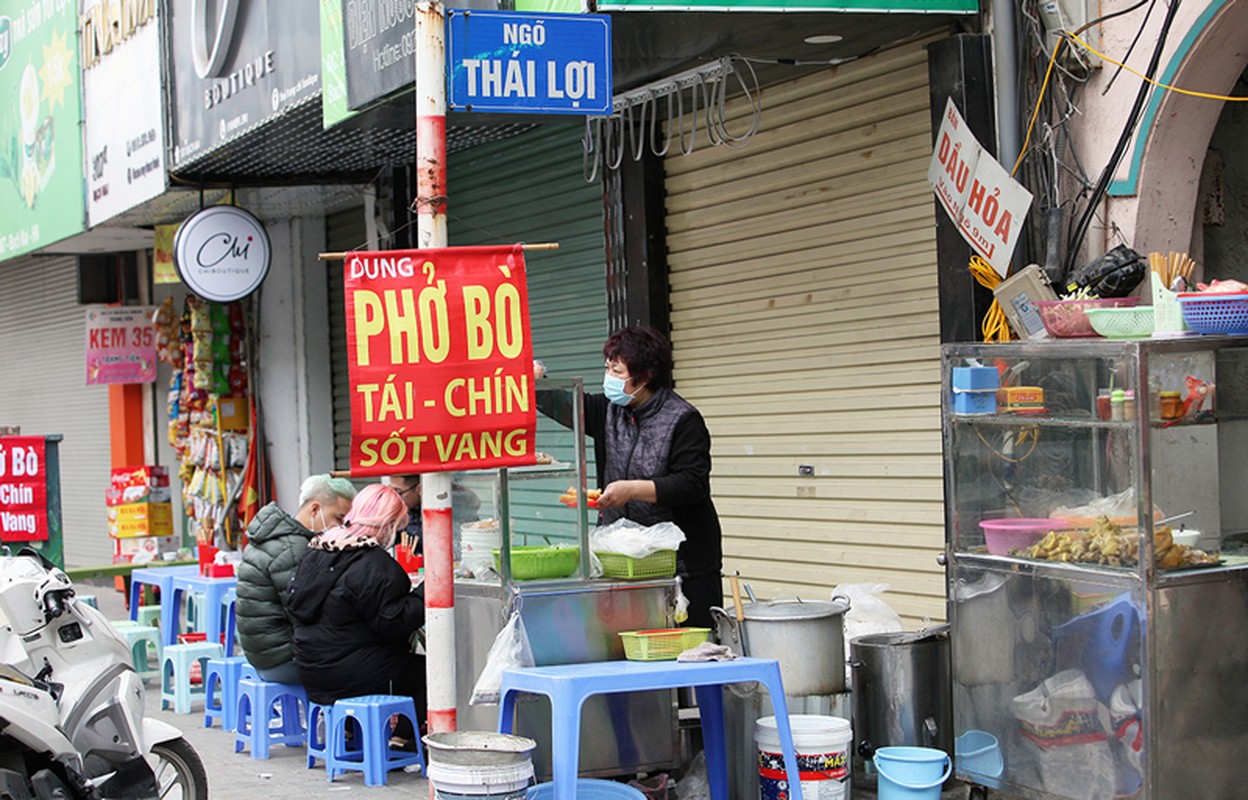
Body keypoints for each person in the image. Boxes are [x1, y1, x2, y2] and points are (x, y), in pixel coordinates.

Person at [540, 326, 723, 628]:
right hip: (624, 560)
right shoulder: (608, 411)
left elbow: (693, 484)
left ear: (645, 376)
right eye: (607, 368)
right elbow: (564, 405)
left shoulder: (683, 419)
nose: (609, 377)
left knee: (689, 651)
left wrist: (633, 490)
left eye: (617, 370)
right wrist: (537, 382)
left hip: (683, 565)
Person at [288, 483, 426, 744]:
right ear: (387, 524)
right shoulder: (374, 563)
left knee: (359, 648)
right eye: (397, 526)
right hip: (348, 675)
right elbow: (393, 624)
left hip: (311, 669)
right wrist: (425, 593)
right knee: (427, 672)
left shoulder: (319, 548)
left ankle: (350, 731)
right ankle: (403, 739)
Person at [235, 474, 356, 684]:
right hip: (282, 660)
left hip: (265, 654)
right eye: (338, 519)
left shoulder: (276, 537)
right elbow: (305, 612)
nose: (341, 528)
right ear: (315, 509)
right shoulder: (294, 549)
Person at [390, 473, 482, 555]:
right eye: (391, 491)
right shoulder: (405, 511)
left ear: (419, 489)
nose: (395, 498)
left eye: (398, 492)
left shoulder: (450, 506)